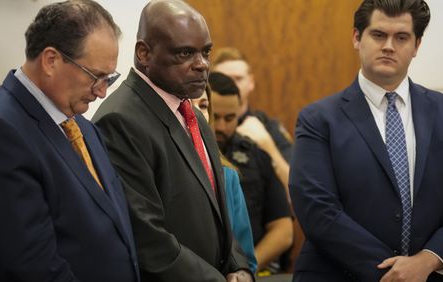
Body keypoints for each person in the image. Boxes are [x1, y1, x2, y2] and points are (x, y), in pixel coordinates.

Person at [0, 1, 139, 281]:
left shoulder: (82, 128)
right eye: (95, 77)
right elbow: (30, 268)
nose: (101, 92)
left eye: (108, 79)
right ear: (51, 60)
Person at [92, 1, 253, 281]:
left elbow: (216, 208)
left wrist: (238, 267)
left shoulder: (192, 113)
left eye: (205, 52)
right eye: (185, 53)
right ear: (144, 53)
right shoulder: (120, 121)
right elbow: (148, 238)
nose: (202, 64)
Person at [290, 0, 443, 281]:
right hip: (339, 274)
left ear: (416, 46)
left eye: (401, 37)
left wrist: (427, 261)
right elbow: (316, 208)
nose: (389, 45)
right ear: (356, 38)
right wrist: (394, 273)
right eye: (378, 35)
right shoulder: (318, 119)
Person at [209, 72, 293, 273]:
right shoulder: (183, 154)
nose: (221, 126)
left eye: (230, 118)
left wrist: (245, 269)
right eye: (215, 117)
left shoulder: (256, 155)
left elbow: (283, 231)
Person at [192, 86, 258, 274]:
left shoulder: (228, 176)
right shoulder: (162, 168)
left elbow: (247, 258)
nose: (197, 113)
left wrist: (242, 274)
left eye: (203, 106)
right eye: (187, 104)